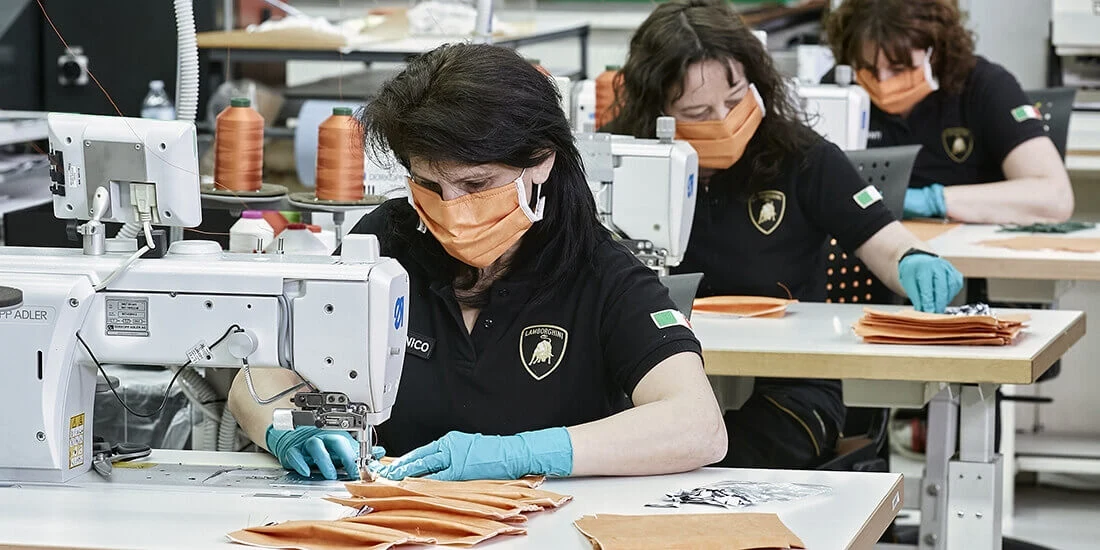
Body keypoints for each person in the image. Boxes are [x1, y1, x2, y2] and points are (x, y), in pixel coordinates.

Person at [228, 43, 727, 481]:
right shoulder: (384, 242)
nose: (451, 206)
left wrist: (524, 454)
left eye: (476, 184)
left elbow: (699, 425)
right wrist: (290, 427)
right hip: (397, 522)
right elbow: (257, 380)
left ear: (541, 160)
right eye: (429, 185)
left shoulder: (601, 272)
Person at [602, 0, 964, 469]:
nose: (724, 118)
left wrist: (914, 260)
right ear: (658, 111)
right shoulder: (618, 162)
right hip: (653, 383)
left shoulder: (802, 158)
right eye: (698, 111)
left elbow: (885, 242)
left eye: (735, 100)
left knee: (726, 466)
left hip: (792, 388)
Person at [825, 0, 1073, 224]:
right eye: (868, 69)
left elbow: (1055, 197)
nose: (882, 81)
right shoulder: (838, 92)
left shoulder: (984, 86)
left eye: (899, 69)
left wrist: (933, 201)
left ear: (935, 51)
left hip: (962, 249)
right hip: (866, 248)